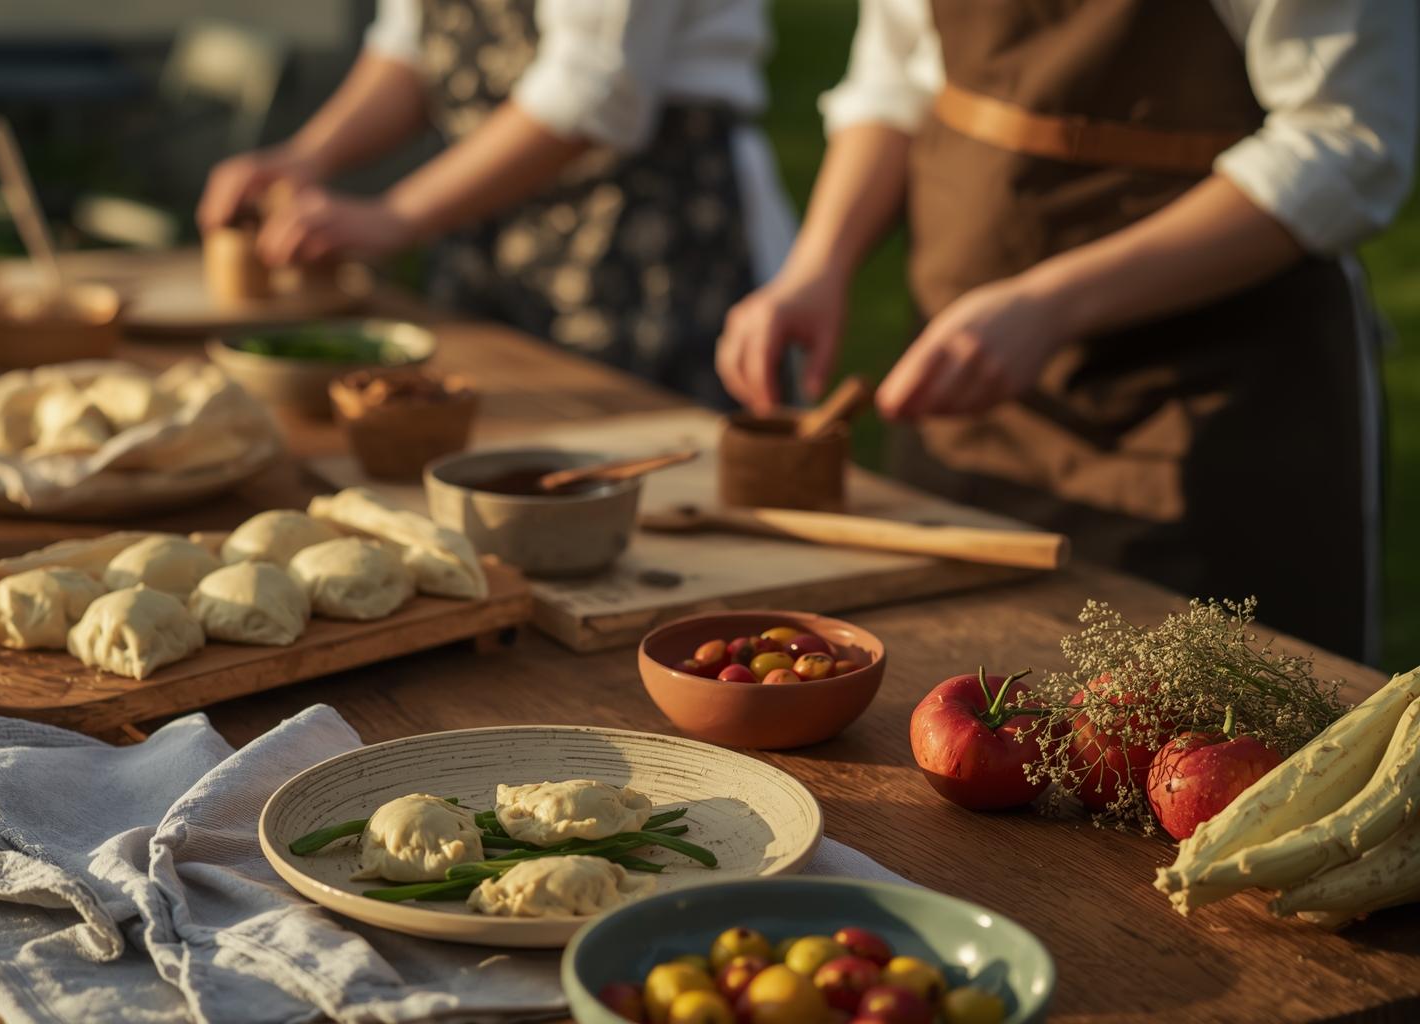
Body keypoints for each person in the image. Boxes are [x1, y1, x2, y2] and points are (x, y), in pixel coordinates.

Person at [716, 0, 1415, 660]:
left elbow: (1348, 143)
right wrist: (818, 263)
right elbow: (898, 76)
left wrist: (1050, 305)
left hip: (1203, 403)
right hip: (961, 389)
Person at [197, 0, 793, 405]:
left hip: (644, 236)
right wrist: (308, 156)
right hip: (484, 217)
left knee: (642, 477)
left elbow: (594, 87)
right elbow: (414, 45)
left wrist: (398, 215)